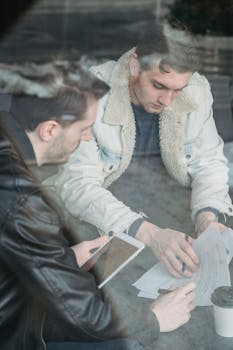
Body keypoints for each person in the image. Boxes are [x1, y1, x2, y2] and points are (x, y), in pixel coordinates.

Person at [0, 63, 196, 350]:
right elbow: (83, 315)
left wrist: (61, 258)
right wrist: (153, 319)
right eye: (85, 128)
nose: (88, 138)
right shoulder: (21, 198)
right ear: (50, 129)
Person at [45, 23, 233, 278]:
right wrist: (151, 234)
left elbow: (209, 163)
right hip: (103, 217)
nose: (167, 100)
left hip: (169, 212)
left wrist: (207, 217)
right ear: (135, 65)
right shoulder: (89, 93)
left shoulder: (197, 91)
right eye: (158, 85)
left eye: (178, 89)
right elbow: (77, 184)